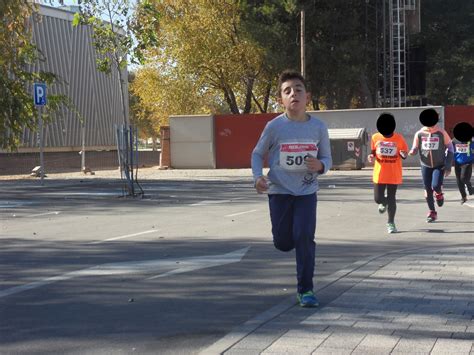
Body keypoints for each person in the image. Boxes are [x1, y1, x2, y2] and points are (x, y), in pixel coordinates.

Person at [251, 70, 332, 308]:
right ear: (281, 100)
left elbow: (327, 158)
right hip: (280, 192)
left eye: (298, 89)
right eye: (287, 91)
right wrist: (257, 177)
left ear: (307, 96)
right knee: (284, 242)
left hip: (307, 192)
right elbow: (257, 153)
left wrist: (321, 166)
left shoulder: (318, 127)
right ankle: (292, 239)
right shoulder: (274, 127)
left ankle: (305, 289)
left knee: (305, 236)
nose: (293, 94)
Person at [408, 108, 454, 222]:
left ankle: (439, 194)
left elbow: (451, 148)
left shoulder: (441, 132)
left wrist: (448, 165)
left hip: (439, 165)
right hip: (425, 165)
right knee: (427, 190)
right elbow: (415, 147)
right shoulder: (419, 134)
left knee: (436, 185)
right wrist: (412, 151)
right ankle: (432, 212)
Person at [368, 113, 408, 233]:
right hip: (379, 173)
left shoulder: (399, 138)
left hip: (393, 173)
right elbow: (373, 152)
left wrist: (403, 154)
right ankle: (383, 203)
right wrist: (371, 156)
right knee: (377, 198)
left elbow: (404, 153)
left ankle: (391, 223)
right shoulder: (375, 137)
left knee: (392, 198)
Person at [452, 122, 474, 204]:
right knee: (459, 181)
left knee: (464, 178)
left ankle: (470, 188)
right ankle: (463, 197)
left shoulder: (471, 140)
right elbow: (450, 150)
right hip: (457, 163)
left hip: (468, 162)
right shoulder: (454, 140)